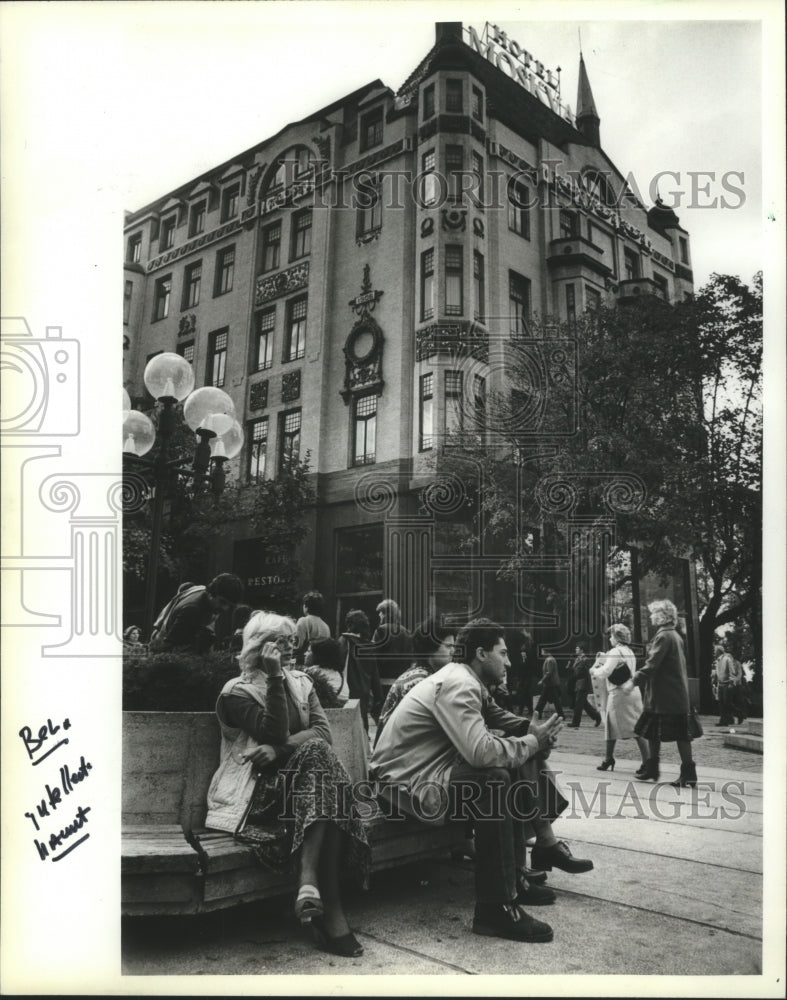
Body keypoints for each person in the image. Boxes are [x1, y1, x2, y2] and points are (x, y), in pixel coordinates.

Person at [371, 618, 594, 944]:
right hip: (402, 785)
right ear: (480, 653)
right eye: (503, 653)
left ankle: (514, 880)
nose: (510, 661)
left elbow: (501, 720)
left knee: (512, 759)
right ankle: (494, 906)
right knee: (493, 778)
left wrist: (533, 734)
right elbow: (480, 752)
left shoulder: (466, 679)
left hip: (425, 772)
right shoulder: (458, 685)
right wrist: (532, 742)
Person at [205, 611, 370, 958]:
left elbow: (323, 734)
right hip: (260, 797)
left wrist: (279, 749)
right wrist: (276, 677)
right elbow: (274, 729)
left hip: (308, 792)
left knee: (317, 757)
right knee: (319, 765)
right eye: (281, 641)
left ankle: (311, 888)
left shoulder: (304, 683)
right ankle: (326, 905)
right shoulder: (236, 692)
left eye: (293, 640)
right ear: (259, 646)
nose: (291, 647)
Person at [632, 599, 703, 788]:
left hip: (664, 697)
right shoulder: (675, 635)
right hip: (674, 694)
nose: (651, 617)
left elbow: (652, 664)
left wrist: (635, 678)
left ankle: (654, 768)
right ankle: (683, 773)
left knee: (663, 733)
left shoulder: (663, 636)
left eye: (654, 613)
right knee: (675, 734)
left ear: (662, 616)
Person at [374, 616, 456, 747]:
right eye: (448, 646)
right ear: (431, 647)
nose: (453, 651)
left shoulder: (418, 673)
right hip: (398, 758)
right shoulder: (422, 681)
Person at [589, 625, 649, 773]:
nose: (610, 638)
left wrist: (593, 670)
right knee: (634, 727)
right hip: (633, 692)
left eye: (611, 636)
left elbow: (606, 671)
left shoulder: (615, 651)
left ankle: (645, 761)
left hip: (619, 694)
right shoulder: (629, 652)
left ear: (616, 637)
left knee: (625, 728)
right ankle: (612, 758)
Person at [149, 574, 244, 653]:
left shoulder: (203, 592)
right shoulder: (192, 610)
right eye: (222, 602)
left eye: (230, 606)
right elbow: (168, 646)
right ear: (211, 593)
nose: (225, 608)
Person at [338, 609, 382, 732]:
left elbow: (338, 663)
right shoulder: (369, 645)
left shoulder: (344, 641)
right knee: (362, 724)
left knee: (347, 729)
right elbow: (374, 673)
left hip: (348, 690)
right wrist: (378, 695)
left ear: (349, 625)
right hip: (364, 691)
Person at [371, 598, 413, 681]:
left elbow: (373, 655)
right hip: (401, 678)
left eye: (381, 612)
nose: (379, 615)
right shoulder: (406, 632)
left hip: (383, 677)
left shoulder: (380, 630)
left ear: (385, 614)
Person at [567, 644, 602, 729]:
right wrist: (569, 666)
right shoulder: (577, 659)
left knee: (578, 704)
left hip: (583, 684)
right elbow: (575, 671)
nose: (576, 650)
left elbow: (588, 672)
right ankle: (597, 717)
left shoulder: (585, 660)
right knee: (584, 704)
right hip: (578, 684)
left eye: (577, 648)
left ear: (582, 650)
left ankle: (575, 723)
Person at [294, 591, 331, 665]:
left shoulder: (304, 621)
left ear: (306, 607)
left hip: (305, 663)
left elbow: (297, 646)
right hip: (322, 664)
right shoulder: (326, 626)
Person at [534, 652, 564, 718]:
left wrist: (542, 680)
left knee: (543, 700)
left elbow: (548, 672)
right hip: (550, 683)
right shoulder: (550, 659)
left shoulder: (550, 660)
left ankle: (537, 714)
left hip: (550, 683)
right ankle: (561, 715)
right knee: (547, 700)